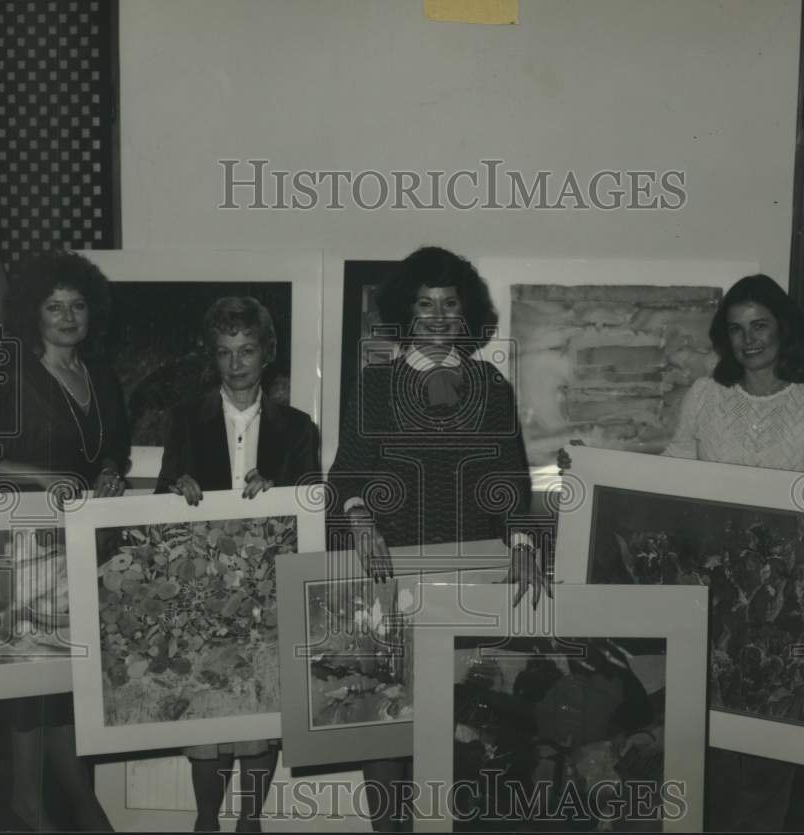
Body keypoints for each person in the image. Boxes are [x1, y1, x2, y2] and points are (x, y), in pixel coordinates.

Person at [327, 246, 549, 831]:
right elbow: (344, 475)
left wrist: (524, 545)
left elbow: (512, 484)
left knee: (455, 730)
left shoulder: (491, 387)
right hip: (390, 580)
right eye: (424, 304)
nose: (437, 316)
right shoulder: (377, 385)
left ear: (465, 313)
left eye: (449, 304)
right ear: (406, 311)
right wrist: (358, 516)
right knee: (386, 722)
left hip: (468, 580)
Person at [663, 273, 804, 831]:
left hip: (781, 608)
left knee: (770, 745)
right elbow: (669, 473)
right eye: (737, 328)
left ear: (782, 329)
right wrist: (594, 472)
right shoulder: (705, 397)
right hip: (711, 599)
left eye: (760, 325)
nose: (749, 340)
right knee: (707, 742)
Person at [0, 250, 131, 831]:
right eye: (54, 305)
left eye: (77, 305)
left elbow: (117, 450)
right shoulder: (11, 374)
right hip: (23, 547)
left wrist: (110, 471)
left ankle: (66, 804)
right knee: (32, 688)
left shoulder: (102, 375)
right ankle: (39, 804)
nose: (66, 316)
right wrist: (39, 474)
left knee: (63, 687)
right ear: (34, 313)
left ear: (92, 314)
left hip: (81, 548)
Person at [155, 296, 318, 833]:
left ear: (266, 354)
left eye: (247, 350)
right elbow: (158, 502)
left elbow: (312, 505)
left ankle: (251, 821)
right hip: (201, 591)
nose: (236, 362)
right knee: (206, 715)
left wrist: (284, 492)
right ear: (213, 356)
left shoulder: (297, 428)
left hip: (269, 593)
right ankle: (207, 821)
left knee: (259, 716)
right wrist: (175, 490)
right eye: (225, 351)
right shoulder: (184, 419)